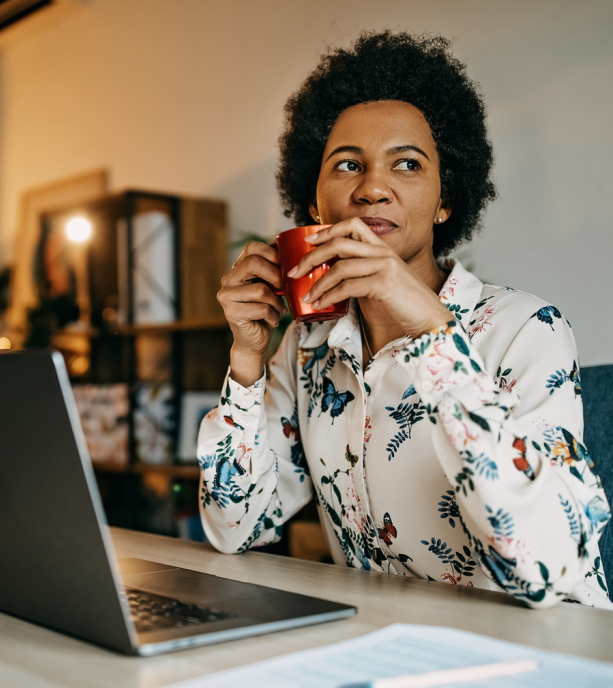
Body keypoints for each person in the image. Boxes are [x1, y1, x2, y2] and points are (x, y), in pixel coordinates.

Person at [198, 31, 611, 609]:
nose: (372, 188)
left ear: (446, 199)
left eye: (407, 164)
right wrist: (247, 359)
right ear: (315, 204)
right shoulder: (307, 346)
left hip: (545, 657)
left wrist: (436, 336)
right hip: (390, 652)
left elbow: (544, 569)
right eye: (347, 165)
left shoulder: (526, 329)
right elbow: (233, 528)